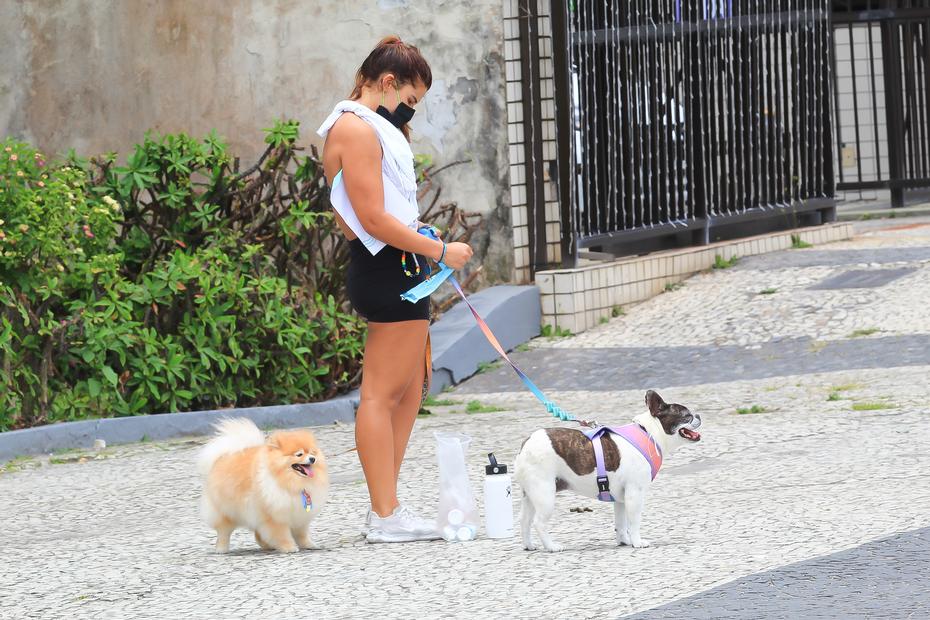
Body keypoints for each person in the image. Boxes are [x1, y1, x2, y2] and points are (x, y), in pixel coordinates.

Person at [317, 36, 474, 543]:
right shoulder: (356, 129)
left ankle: (387, 508)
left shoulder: (368, 127)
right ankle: (384, 515)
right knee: (382, 397)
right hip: (389, 271)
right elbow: (371, 219)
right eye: (409, 100)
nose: (410, 112)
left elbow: (371, 218)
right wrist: (440, 251)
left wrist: (423, 242)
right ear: (387, 83)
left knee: (405, 395)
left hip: (394, 267)